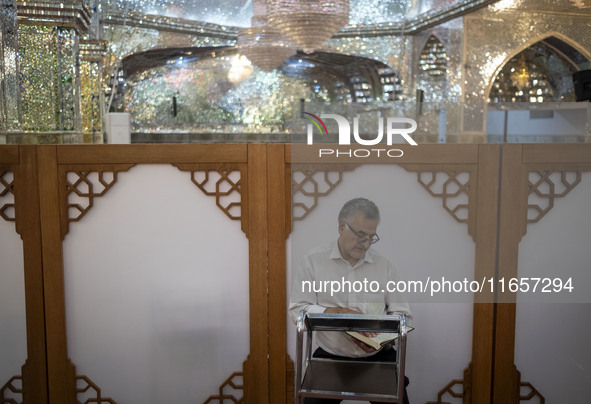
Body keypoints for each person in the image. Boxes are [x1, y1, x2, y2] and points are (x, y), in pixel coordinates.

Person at [289, 197, 411, 404]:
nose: (365, 243)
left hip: (379, 356)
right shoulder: (313, 261)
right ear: (341, 226)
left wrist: (380, 338)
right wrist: (332, 312)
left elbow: (402, 314)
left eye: (372, 237)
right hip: (331, 355)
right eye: (360, 234)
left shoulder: (384, 266)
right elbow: (298, 309)